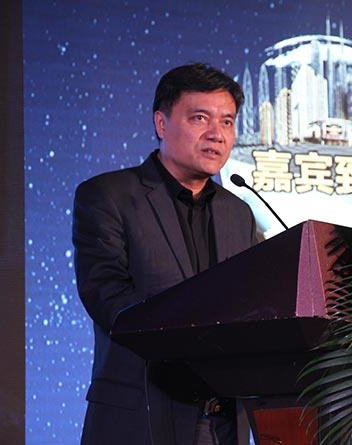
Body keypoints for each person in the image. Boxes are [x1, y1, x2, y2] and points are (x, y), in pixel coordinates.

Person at [72, 63, 258, 445]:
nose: (216, 134)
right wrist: (194, 340)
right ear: (161, 123)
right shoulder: (108, 196)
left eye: (227, 122)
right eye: (200, 118)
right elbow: (106, 295)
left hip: (224, 422)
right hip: (143, 416)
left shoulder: (239, 212)